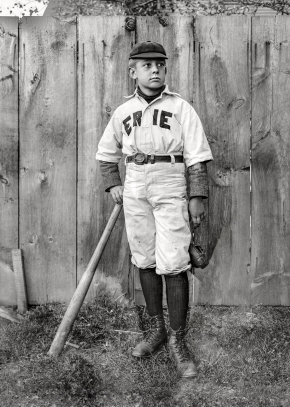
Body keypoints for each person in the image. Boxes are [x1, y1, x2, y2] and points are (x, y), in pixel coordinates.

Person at [96, 41, 213, 379]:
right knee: (144, 257)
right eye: (147, 65)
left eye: (160, 64)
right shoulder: (122, 112)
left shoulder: (180, 107)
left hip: (170, 180)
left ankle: (178, 339)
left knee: (174, 260)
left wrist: (197, 196)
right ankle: (156, 330)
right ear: (133, 71)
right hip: (134, 183)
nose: (155, 70)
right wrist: (113, 184)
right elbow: (106, 153)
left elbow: (197, 155)